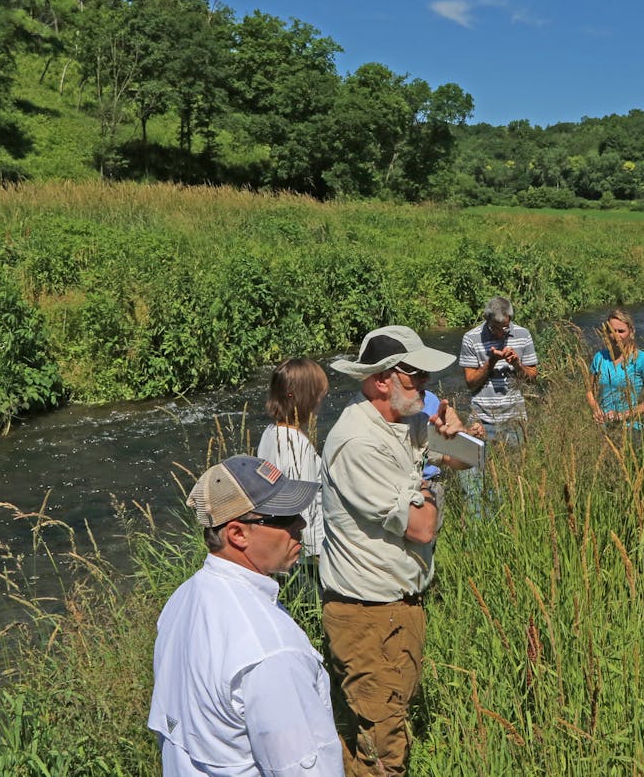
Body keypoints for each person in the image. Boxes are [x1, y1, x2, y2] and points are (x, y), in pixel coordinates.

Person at [321, 325, 462, 776]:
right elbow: (422, 528)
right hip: (368, 615)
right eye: (415, 375)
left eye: (424, 375)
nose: (426, 384)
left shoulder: (402, 419)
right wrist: (433, 482)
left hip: (397, 607)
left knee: (388, 722)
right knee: (383, 751)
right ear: (382, 380)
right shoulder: (359, 442)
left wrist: (453, 435)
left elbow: (468, 459)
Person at [149, 454, 343, 776]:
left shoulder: (181, 601)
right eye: (283, 516)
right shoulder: (272, 652)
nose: (301, 524)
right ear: (238, 534)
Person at [257, 358, 329, 562]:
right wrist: (306, 551)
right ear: (302, 397)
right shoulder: (299, 445)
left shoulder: (271, 432)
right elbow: (304, 505)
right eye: (318, 397)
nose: (320, 404)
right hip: (310, 548)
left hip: (283, 541)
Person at [458, 295, 539, 444]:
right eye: (495, 327)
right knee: (476, 465)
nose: (501, 332)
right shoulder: (471, 338)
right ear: (486, 319)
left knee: (517, 466)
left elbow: (533, 378)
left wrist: (517, 365)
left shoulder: (523, 335)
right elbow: (471, 383)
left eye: (505, 327)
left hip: (515, 419)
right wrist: (491, 362)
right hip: (481, 419)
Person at [586, 308, 644, 428]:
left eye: (621, 331)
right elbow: (589, 391)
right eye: (612, 331)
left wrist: (623, 415)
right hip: (602, 426)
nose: (616, 336)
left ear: (631, 332)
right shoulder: (599, 357)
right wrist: (596, 410)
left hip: (631, 427)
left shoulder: (643, 359)